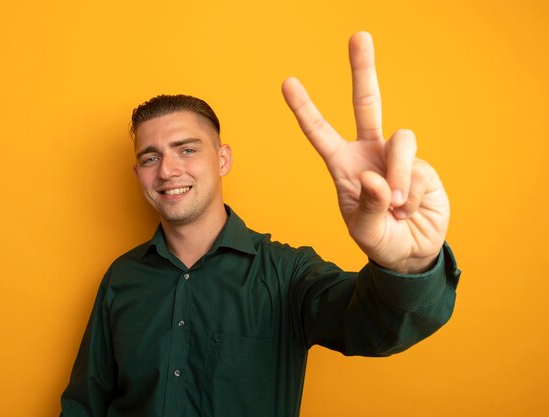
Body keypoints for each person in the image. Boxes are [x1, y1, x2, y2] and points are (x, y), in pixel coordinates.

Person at [60, 32, 460, 417]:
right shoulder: (121, 278)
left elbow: (374, 327)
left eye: (186, 149)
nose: (167, 170)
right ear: (139, 173)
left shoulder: (288, 274)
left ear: (222, 160)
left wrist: (408, 267)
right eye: (150, 158)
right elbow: (84, 404)